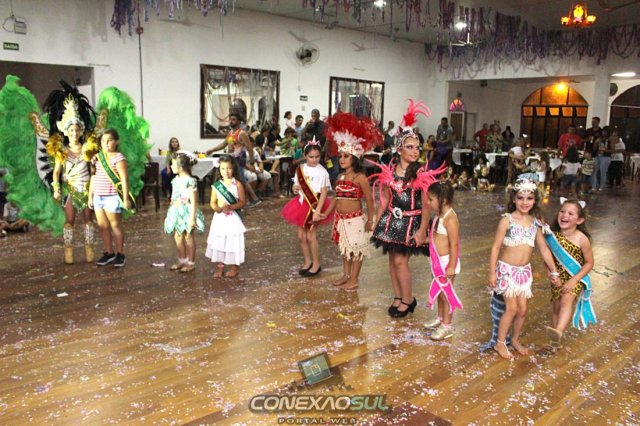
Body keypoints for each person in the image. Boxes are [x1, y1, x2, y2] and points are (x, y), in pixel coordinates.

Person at [370, 100, 444, 318]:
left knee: (401, 261)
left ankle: (408, 299)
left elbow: (427, 205)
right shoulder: (391, 170)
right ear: (399, 148)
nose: (415, 151)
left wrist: (422, 230)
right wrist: (377, 220)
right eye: (410, 147)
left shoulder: (420, 173)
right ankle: (398, 296)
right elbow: (385, 197)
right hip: (392, 221)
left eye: (417, 147)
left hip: (412, 223)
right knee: (392, 260)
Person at [487, 178, 559, 359]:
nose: (525, 202)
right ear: (514, 199)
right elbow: (496, 247)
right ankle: (500, 343)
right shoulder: (507, 221)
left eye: (529, 198)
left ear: (535, 200)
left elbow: (544, 249)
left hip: (524, 273)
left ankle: (515, 339)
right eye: (520, 198)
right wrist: (492, 272)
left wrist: (554, 271)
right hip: (506, 271)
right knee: (511, 308)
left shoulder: (535, 223)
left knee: (523, 310)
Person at [320, 111, 379, 291]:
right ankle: (346, 275)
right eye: (340, 156)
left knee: (356, 249)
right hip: (341, 220)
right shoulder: (340, 177)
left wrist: (370, 220)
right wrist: (326, 213)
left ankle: (354, 278)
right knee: (345, 249)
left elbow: (369, 200)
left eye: (346, 156)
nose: (342, 159)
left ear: (354, 158)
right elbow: (336, 199)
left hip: (355, 220)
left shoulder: (360, 178)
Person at [47, 96, 100, 264]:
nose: (74, 133)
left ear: (81, 131)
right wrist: (56, 188)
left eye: (77, 130)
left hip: (86, 189)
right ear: (66, 131)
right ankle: (68, 251)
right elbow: (56, 172)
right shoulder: (61, 150)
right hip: (70, 189)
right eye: (71, 130)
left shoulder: (88, 148)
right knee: (69, 221)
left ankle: (89, 249)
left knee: (88, 221)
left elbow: (93, 170)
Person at [543, 198, 595, 353]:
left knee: (566, 301)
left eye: (571, 213)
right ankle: (554, 343)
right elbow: (547, 259)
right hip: (557, 277)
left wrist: (573, 280)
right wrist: (551, 275)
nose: (565, 215)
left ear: (579, 220)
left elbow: (589, 263)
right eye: (562, 211)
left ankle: (558, 331)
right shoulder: (552, 236)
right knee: (557, 307)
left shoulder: (582, 238)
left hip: (576, 277)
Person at [280, 140, 333, 277]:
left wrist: (318, 211)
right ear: (305, 156)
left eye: (317, 157)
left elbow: (324, 192)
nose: (314, 160)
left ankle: (316, 264)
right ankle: (307, 261)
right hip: (301, 204)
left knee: (311, 236)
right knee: (301, 236)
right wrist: (294, 188)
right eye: (311, 157)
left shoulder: (323, 172)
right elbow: (297, 185)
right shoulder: (300, 169)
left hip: (315, 205)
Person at [88, 129, 132, 268]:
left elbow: (124, 179)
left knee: (115, 225)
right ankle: (109, 252)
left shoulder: (118, 158)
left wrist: (126, 198)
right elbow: (93, 177)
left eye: (109, 140)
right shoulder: (97, 157)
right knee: (103, 226)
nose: (106, 143)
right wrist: (90, 196)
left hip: (112, 196)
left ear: (116, 142)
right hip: (98, 196)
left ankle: (120, 253)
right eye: (103, 141)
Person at [425, 181, 462, 341]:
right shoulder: (440, 215)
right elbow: (438, 237)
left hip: (447, 263)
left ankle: (447, 327)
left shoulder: (450, 219)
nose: (428, 202)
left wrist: (451, 266)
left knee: (446, 295)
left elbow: (454, 244)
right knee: (440, 294)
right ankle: (441, 318)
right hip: (437, 262)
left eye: (431, 199)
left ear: (443, 200)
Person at [206, 113, 261, 207]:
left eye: (233, 119)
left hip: (239, 159)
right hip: (233, 158)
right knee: (240, 179)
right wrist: (212, 149)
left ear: (239, 122)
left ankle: (253, 199)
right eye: (230, 119)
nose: (231, 121)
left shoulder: (242, 133)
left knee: (241, 180)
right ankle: (249, 199)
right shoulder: (231, 133)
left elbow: (249, 148)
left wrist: (252, 162)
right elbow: (223, 144)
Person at [205, 155, 247, 278]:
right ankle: (220, 267)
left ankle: (235, 267)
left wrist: (231, 207)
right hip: (220, 219)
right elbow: (212, 202)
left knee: (233, 242)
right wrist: (216, 208)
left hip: (233, 218)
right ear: (219, 169)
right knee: (220, 242)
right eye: (223, 168)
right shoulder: (217, 185)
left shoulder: (237, 184)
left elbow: (242, 202)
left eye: (229, 168)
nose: (226, 171)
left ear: (233, 168)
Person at [164, 152, 206, 272]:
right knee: (178, 236)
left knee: (188, 236)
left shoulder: (190, 181)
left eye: (173, 164)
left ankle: (191, 263)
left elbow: (193, 201)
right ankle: (182, 260)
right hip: (177, 211)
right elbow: (174, 195)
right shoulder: (176, 180)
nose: (171, 166)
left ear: (181, 167)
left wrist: (192, 219)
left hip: (187, 211)